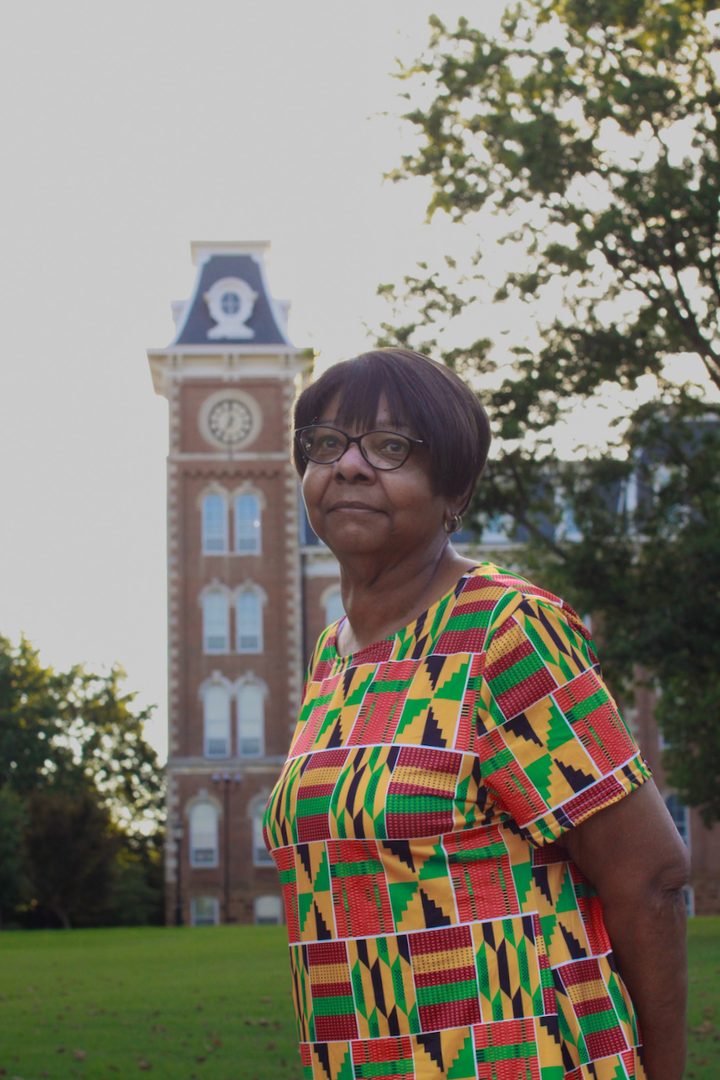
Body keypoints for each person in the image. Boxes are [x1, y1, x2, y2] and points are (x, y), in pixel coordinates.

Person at [264, 348, 689, 1080]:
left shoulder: (507, 632)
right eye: (327, 444)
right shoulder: (335, 660)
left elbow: (649, 877)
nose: (350, 465)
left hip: (527, 1059)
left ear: (453, 488)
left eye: (390, 447)